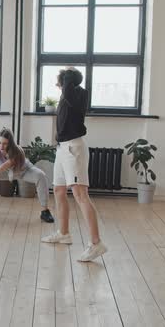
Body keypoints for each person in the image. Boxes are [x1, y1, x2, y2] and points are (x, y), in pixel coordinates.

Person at [41, 67, 108, 262]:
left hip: (74, 149)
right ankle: (64, 233)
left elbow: (69, 85)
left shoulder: (76, 95)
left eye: (59, 81)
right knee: (59, 190)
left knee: (80, 194)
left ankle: (96, 244)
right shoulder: (67, 96)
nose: (57, 85)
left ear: (67, 82)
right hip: (62, 149)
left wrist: (67, 74)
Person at [0, 128, 55, 223]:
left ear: (10, 143)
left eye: (4, 143)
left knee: (40, 175)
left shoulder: (17, 150)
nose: (1, 146)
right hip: (7, 172)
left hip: (24, 171)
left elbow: (7, 164)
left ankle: (45, 211)